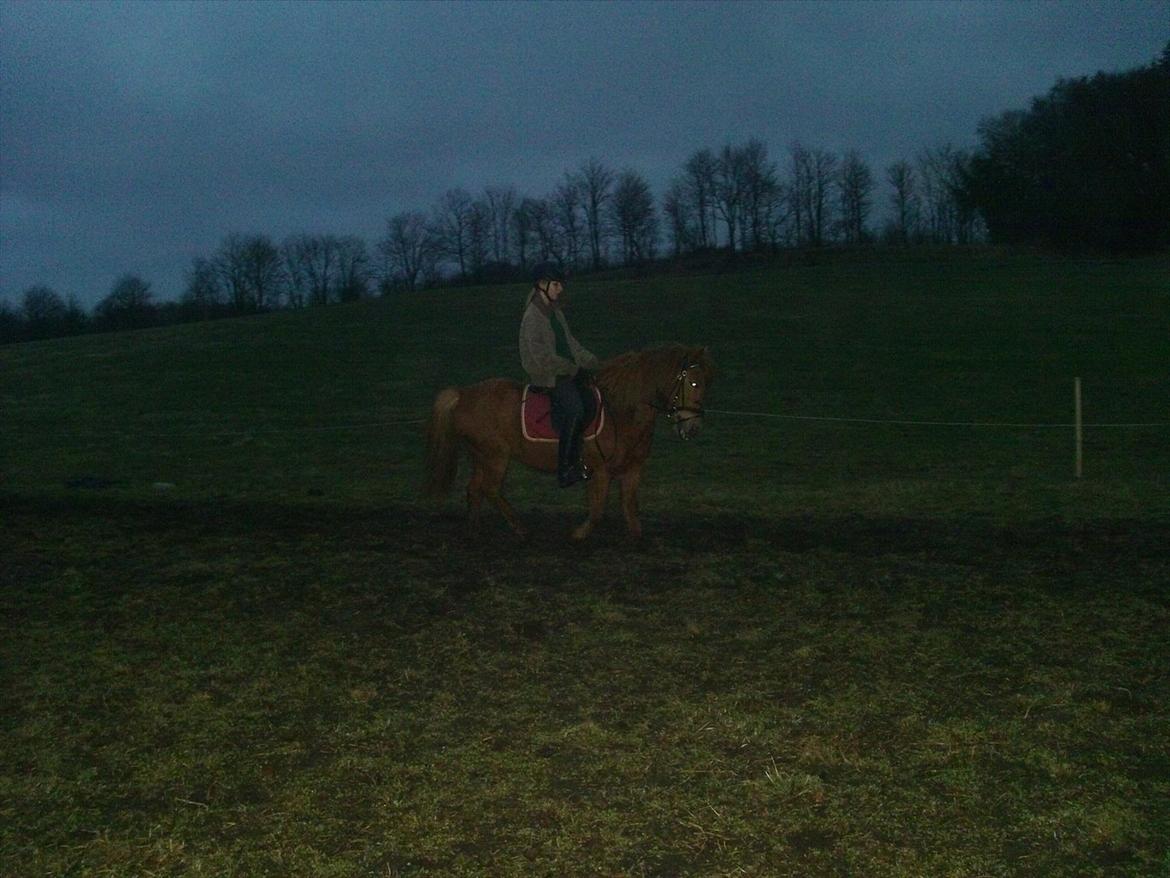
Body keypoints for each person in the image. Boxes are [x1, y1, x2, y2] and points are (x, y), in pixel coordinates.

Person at [519, 262, 601, 487]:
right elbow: (541, 359)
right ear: (542, 285)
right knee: (575, 408)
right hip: (547, 376)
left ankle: (580, 457)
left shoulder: (555, 313)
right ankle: (565, 470)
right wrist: (573, 369)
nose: (560, 289)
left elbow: (571, 345)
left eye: (560, 284)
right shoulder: (532, 318)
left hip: (565, 372)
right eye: (556, 285)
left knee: (590, 400)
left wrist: (594, 362)